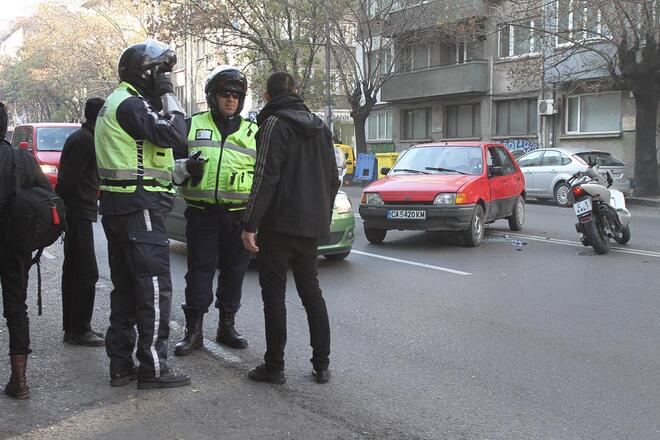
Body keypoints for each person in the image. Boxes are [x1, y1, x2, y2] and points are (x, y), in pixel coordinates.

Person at [95, 40, 190, 389]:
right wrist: (170, 96)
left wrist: (180, 171)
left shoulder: (115, 103)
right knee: (152, 289)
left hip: (121, 207)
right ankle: (153, 368)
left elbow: (141, 159)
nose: (165, 78)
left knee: (126, 289)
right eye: (161, 72)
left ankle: (121, 365)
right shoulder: (131, 104)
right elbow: (177, 135)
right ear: (146, 72)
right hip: (140, 208)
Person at [241, 72, 340, 385]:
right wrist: (320, 216)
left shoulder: (274, 124)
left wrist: (250, 224)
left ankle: (275, 366)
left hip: (279, 225)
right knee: (311, 293)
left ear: (267, 96)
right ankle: (321, 365)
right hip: (310, 227)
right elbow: (333, 179)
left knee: (274, 295)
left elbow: (265, 176)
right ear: (296, 92)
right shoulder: (321, 128)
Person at [172, 65, 257, 356]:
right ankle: (193, 330)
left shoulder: (253, 132)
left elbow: (264, 178)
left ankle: (226, 325)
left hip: (239, 216)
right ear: (212, 96)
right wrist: (184, 167)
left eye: (236, 94)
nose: (231, 99)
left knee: (234, 272)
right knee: (199, 272)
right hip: (202, 214)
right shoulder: (190, 125)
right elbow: (165, 170)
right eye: (225, 94)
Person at [0, 102, 52, 399]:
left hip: (13, 243)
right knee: (16, 309)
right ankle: (19, 380)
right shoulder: (21, 158)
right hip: (14, 244)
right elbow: (46, 198)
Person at [56, 98, 105, 347]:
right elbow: (68, 181)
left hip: (79, 211)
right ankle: (79, 329)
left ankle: (73, 327)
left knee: (74, 270)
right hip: (77, 213)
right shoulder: (85, 141)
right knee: (86, 272)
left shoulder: (83, 138)